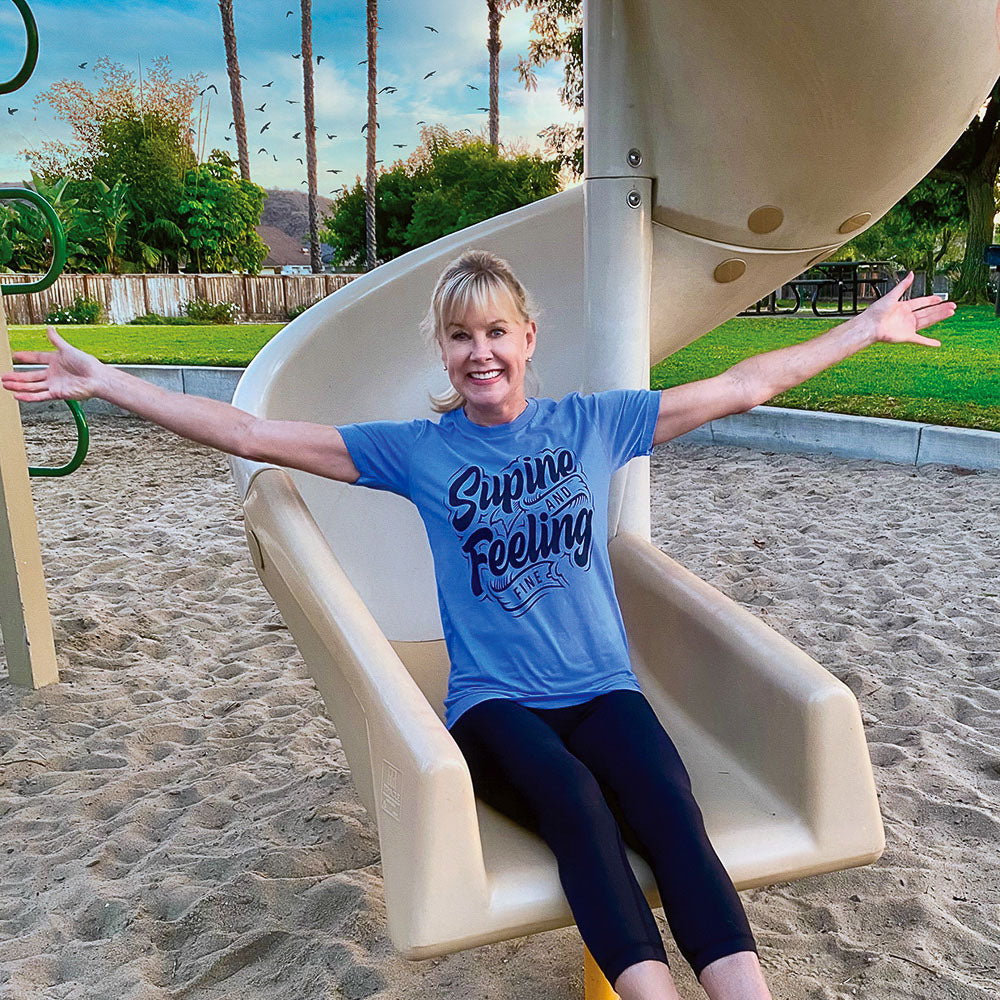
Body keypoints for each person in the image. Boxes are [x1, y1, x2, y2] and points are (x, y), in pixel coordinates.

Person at [1, 251, 954, 1000]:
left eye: (496, 330)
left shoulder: (594, 425)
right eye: (461, 337)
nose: (481, 351)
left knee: (670, 812)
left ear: (529, 337)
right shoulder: (418, 451)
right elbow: (252, 436)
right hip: (498, 708)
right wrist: (109, 381)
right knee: (577, 808)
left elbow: (743, 385)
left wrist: (861, 329)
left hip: (605, 688)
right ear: (445, 354)